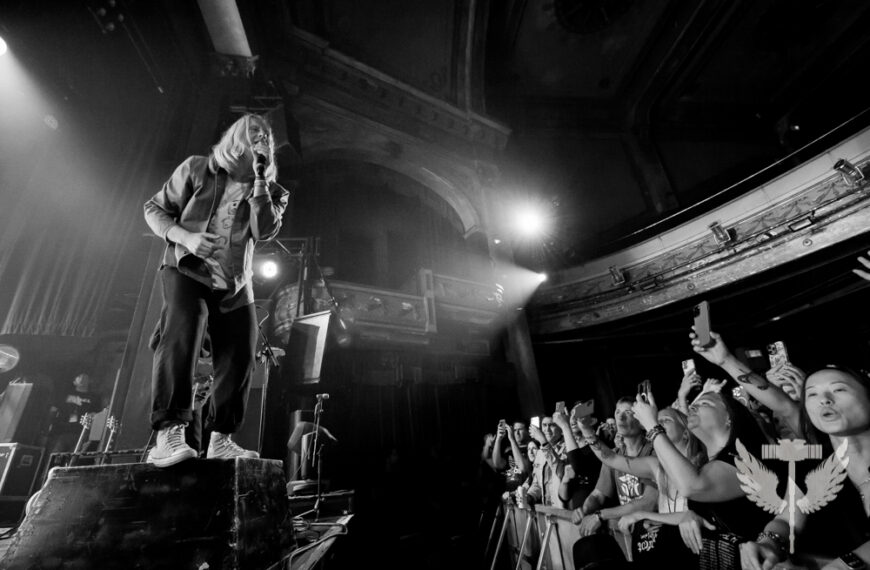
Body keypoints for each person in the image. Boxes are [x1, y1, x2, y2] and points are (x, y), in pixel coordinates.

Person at [143, 113, 290, 467]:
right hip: (188, 270)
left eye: (266, 137)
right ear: (236, 136)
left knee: (241, 355)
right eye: (255, 132)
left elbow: (265, 230)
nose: (262, 139)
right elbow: (155, 209)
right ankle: (169, 432)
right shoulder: (198, 169)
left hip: (235, 283)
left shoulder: (274, 192)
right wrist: (187, 238)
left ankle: (220, 439)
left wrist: (259, 181)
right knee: (182, 333)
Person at [738, 363, 870, 570]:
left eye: (839, 389)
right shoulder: (813, 465)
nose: (824, 399)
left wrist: (842, 566)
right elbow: (787, 520)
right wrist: (768, 543)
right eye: (812, 395)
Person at [580, 405, 706, 567]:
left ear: (686, 433)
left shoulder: (704, 466)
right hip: (672, 550)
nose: (657, 425)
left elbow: (696, 516)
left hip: (701, 553)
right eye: (655, 422)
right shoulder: (657, 466)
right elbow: (610, 458)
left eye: (665, 421)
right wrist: (586, 431)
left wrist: (641, 515)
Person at [571, 397, 658, 568]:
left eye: (628, 412)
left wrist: (600, 515)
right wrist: (585, 509)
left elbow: (648, 503)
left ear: (641, 420)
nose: (620, 417)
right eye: (618, 412)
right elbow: (598, 495)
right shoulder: (615, 453)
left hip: (653, 535)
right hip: (626, 536)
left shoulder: (654, 451)